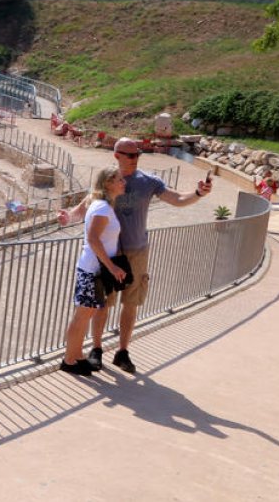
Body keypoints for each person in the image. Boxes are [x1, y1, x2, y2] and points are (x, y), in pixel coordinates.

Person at [58, 137, 212, 373]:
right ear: (117, 155)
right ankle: (96, 349)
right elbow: (83, 208)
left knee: (131, 302)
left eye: (138, 154)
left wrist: (198, 193)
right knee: (102, 304)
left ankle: (122, 352)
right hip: (109, 254)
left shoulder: (149, 181)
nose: (135, 158)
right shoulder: (107, 181)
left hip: (136, 251)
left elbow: (178, 199)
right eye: (130, 155)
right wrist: (67, 217)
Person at [61, 167, 127, 376]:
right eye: (119, 180)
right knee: (82, 315)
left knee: (86, 313)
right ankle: (69, 360)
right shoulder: (102, 208)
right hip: (92, 270)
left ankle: (77, 356)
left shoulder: (103, 206)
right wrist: (112, 266)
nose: (123, 183)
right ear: (108, 183)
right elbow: (92, 239)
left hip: (94, 269)